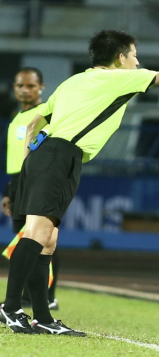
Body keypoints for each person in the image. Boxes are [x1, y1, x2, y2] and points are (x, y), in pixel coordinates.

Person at [0, 29, 159, 337]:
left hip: (47, 155)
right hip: (61, 156)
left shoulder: (74, 81)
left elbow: (34, 122)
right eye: (134, 56)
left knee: (48, 240)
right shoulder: (116, 78)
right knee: (37, 233)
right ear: (120, 57)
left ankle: (41, 316)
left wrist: (34, 153)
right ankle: (10, 308)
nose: (137, 62)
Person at [3, 68, 61, 310]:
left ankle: (48, 295)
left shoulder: (45, 112)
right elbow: (17, 157)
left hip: (36, 179)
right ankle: (30, 294)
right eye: (20, 86)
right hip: (18, 181)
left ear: (41, 87)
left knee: (40, 239)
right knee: (25, 238)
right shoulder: (17, 117)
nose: (25, 90)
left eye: (30, 86)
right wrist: (10, 190)